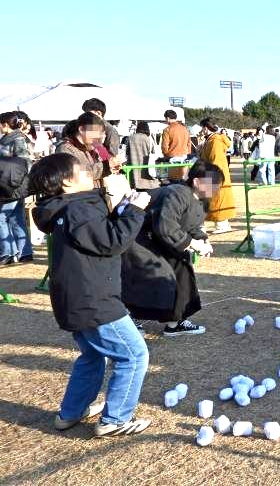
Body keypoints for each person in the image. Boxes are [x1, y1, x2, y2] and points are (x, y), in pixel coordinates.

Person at [30, 153, 152, 437]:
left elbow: (99, 235)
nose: (88, 172)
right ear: (65, 182)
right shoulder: (77, 210)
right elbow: (112, 241)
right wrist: (135, 210)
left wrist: (122, 207)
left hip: (75, 299)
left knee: (92, 355)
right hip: (93, 300)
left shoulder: (67, 208)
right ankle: (115, 419)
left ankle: (70, 412)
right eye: (80, 170)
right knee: (134, 355)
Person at [122, 160, 222, 337]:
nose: (216, 189)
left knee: (183, 271)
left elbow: (192, 225)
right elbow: (166, 227)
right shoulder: (176, 193)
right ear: (197, 182)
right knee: (154, 274)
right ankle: (129, 318)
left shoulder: (202, 201)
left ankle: (175, 322)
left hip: (165, 240)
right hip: (140, 238)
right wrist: (193, 244)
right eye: (213, 184)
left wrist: (203, 240)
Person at [0, 111, 34, 265]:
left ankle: (7, 252)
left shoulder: (17, 139)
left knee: (2, 218)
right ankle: (24, 252)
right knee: (16, 217)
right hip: (10, 184)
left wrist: (12, 179)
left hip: (11, 185)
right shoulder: (9, 138)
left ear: (5, 124)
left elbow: (25, 163)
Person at [198, 118, 235, 233]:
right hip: (211, 172)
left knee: (217, 200)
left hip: (215, 173)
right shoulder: (211, 139)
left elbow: (215, 160)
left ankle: (222, 225)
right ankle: (218, 224)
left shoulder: (215, 141)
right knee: (210, 200)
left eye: (202, 128)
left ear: (205, 128)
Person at [57, 112, 109, 188]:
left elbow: (106, 157)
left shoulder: (91, 146)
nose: (97, 137)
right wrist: (106, 166)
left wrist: (111, 163)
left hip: (94, 194)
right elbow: (78, 174)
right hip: (79, 197)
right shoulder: (65, 148)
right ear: (81, 129)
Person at [126, 121, 160, 192]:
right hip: (146, 167)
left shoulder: (130, 138)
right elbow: (153, 152)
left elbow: (127, 152)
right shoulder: (148, 139)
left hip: (134, 166)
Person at [160, 109, 191, 181]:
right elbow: (189, 143)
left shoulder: (167, 130)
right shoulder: (185, 129)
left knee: (172, 181)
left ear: (167, 118)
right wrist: (188, 153)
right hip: (184, 157)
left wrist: (165, 155)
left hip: (171, 158)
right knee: (183, 180)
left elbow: (164, 146)